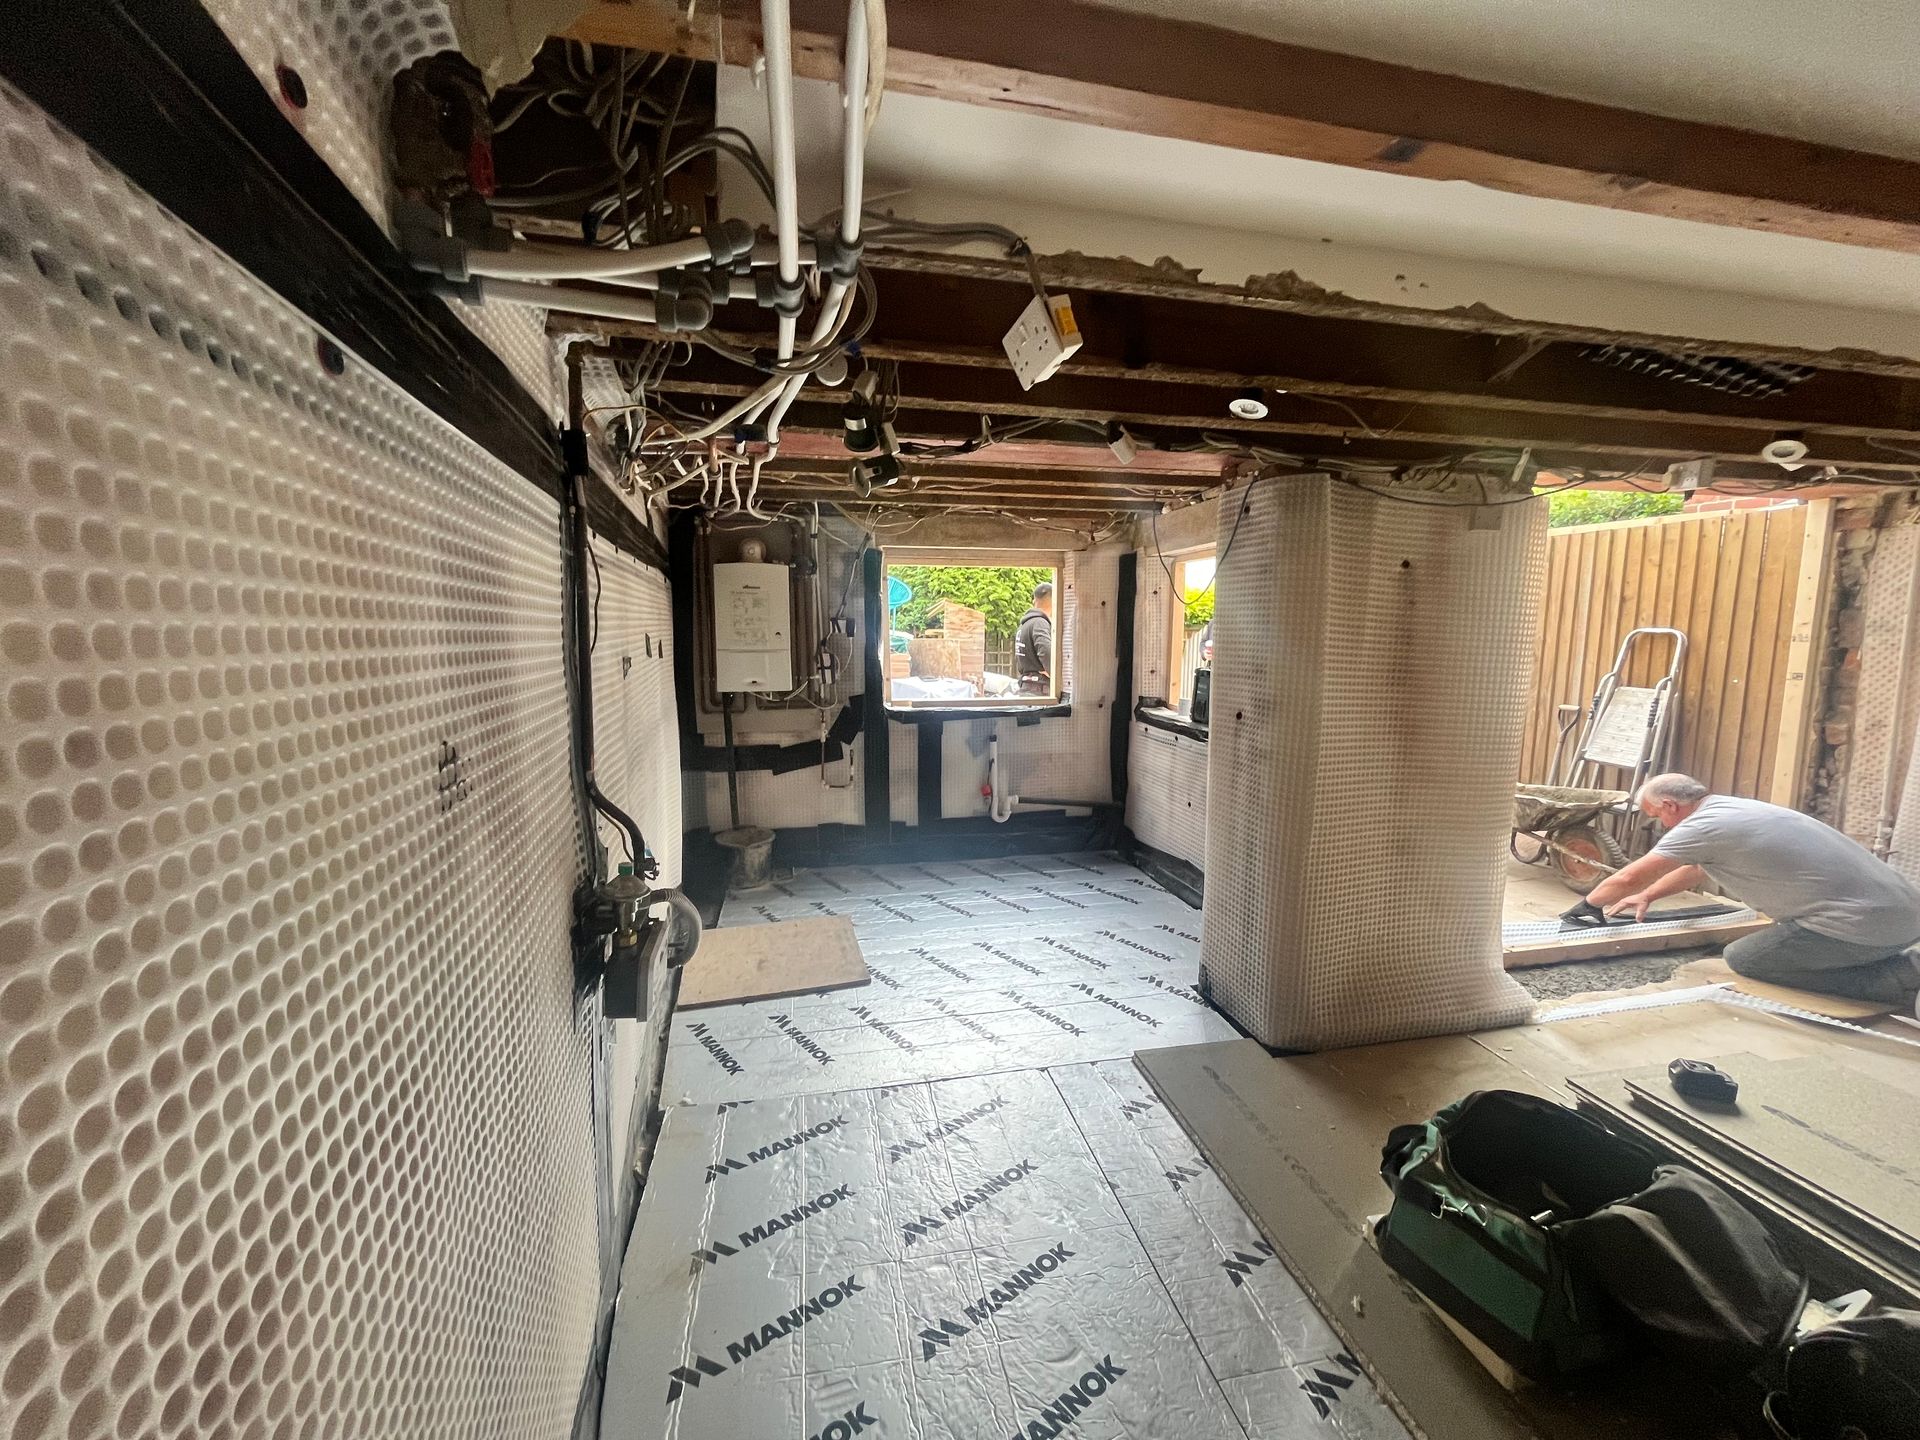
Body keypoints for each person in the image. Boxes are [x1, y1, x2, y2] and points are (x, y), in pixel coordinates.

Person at [1585, 773, 1920, 1005]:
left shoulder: (1702, 826)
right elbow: (1697, 869)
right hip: (1905, 915)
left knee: (1747, 958)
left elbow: (1627, 878)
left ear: (1670, 805)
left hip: (1866, 927)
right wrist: (1649, 895)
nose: (1659, 823)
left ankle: (1901, 979)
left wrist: (1587, 906)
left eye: (1655, 815)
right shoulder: (1734, 809)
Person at [1012, 581, 1054, 695]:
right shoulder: (1040, 623)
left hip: (1026, 686)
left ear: (1034, 600)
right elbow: (1045, 651)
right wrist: (1055, 675)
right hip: (1040, 688)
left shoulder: (1023, 625)